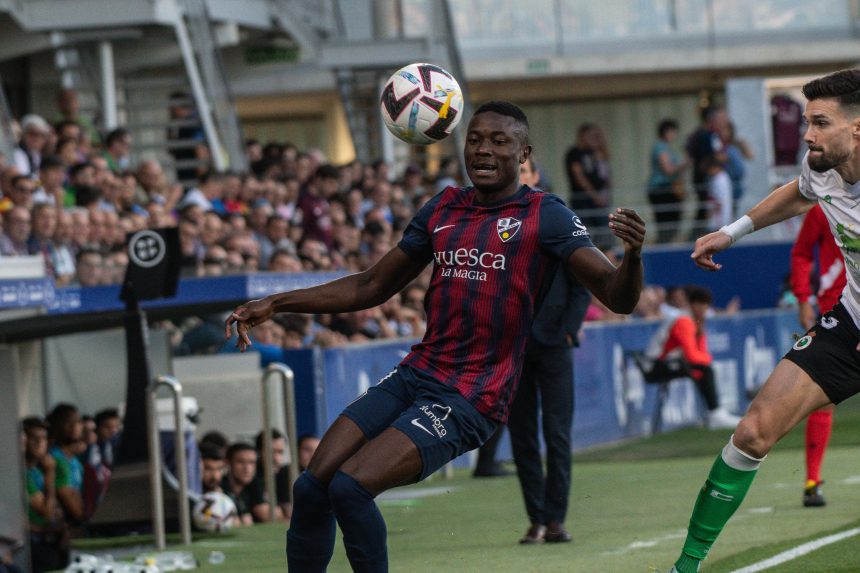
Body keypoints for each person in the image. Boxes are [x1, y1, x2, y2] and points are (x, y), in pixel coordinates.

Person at [226, 100, 646, 571]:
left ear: (524, 153)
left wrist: (631, 257)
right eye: (475, 140)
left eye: (499, 141)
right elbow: (370, 286)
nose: (484, 150)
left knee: (350, 487)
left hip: (474, 395)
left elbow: (618, 297)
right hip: (417, 373)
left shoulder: (545, 215)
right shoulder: (445, 207)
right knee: (311, 486)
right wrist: (277, 303)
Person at [671, 68, 860, 573]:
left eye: (820, 122)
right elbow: (799, 192)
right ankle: (686, 567)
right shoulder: (823, 166)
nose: (808, 134)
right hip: (851, 327)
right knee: (752, 433)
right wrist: (730, 233)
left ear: (857, 128)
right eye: (807, 121)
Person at [508, 158, 591, 544]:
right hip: (514, 347)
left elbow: (582, 282)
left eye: (524, 172)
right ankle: (536, 519)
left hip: (556, 343)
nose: (520, 179)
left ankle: (555, 518)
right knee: (522, 435)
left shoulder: (556, 218)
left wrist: (570, 331)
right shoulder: (496, 225)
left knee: (556, 434)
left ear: (535, 176)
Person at [789, 203, 845, 507]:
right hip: (835, 311)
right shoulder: (824, 207)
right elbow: (801, 252)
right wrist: (802, 298)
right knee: (824, 396)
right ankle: (812, 481)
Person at [645, 285, 740, 430]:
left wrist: (706, 360)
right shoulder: (684, 321)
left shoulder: (698, 322)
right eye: (701, 304)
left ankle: (714, 413)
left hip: (673, 362)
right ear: (692, 304)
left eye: (707, 305)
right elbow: (691, 356)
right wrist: (707, 361)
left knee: (705, 369)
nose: (704, 309)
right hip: (656, 365)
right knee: (705, 369)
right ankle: (715, 414)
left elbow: (701, 350)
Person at [565, 123, 612, 247]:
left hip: (599, 201)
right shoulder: (574, 153)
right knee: (584, 234)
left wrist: (601, 140)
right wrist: (595, 196)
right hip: (582, 201)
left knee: (604, 233)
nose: (593, 139)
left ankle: (605, 254)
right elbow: (579, 177)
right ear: (582, 136)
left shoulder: (593, 153)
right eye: (590, 136)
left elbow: (605, 164)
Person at [686, 105, 729, 239]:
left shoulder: (701, 135)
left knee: (706, 208)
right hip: (706, 179)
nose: (724, 122)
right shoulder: (706, 136)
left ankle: (698, 235)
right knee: (707, 208)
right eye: (721, 119)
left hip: (705, 177)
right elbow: (712, 157)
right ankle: (697, 236)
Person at [646, 118, 688, 243]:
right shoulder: (660, 147)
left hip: (668, 189)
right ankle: (663, 244)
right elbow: (668, 169)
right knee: (666, 223)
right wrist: (685, 163)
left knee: (672, 222)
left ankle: (666, 242)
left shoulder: (666, 147)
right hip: (662, 189)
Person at [220, 442, 271, 525]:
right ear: (228, 463)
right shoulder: (220, 487)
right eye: (240, 462)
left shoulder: (257, 484)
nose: (247, 468)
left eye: (252, 462)